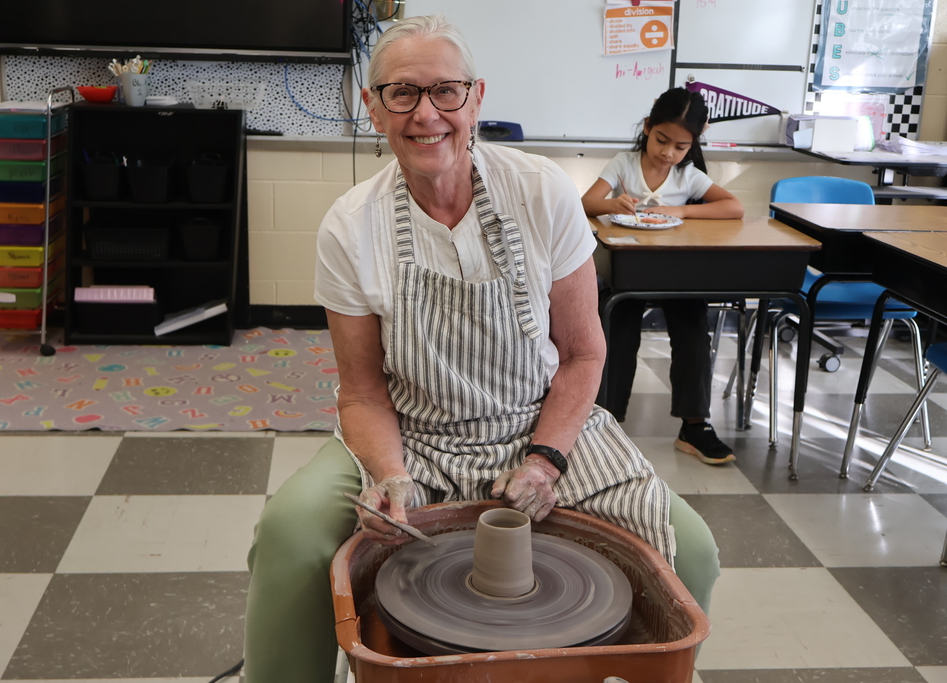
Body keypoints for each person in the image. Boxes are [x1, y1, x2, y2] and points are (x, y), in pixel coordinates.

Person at [243, 18, 720, 683]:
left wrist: (546, 461)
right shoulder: (351, 226)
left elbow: (584, 355)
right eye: (402, 93)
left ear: (477, 98)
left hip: (542, 422)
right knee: (292, 535)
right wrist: (388, 474)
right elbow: (362, 391)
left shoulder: (542, 192)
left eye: (446, 91)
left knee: (691, 550)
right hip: (414, 430)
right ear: (372, 108)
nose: (426, 113)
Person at [581, 87, 745, 466]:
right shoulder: (624, 163)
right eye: (661, 140)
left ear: (692, 145)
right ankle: (609, 423)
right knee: (618, 327)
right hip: (629, 270)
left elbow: (733, 207)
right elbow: (586, 202)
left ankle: (694, 425)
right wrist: (613, 203)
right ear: (648, 126)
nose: (668, 153)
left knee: (691, 327)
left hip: (677, 270)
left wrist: (683, 211)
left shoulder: (688, 176)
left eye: (680, 146)